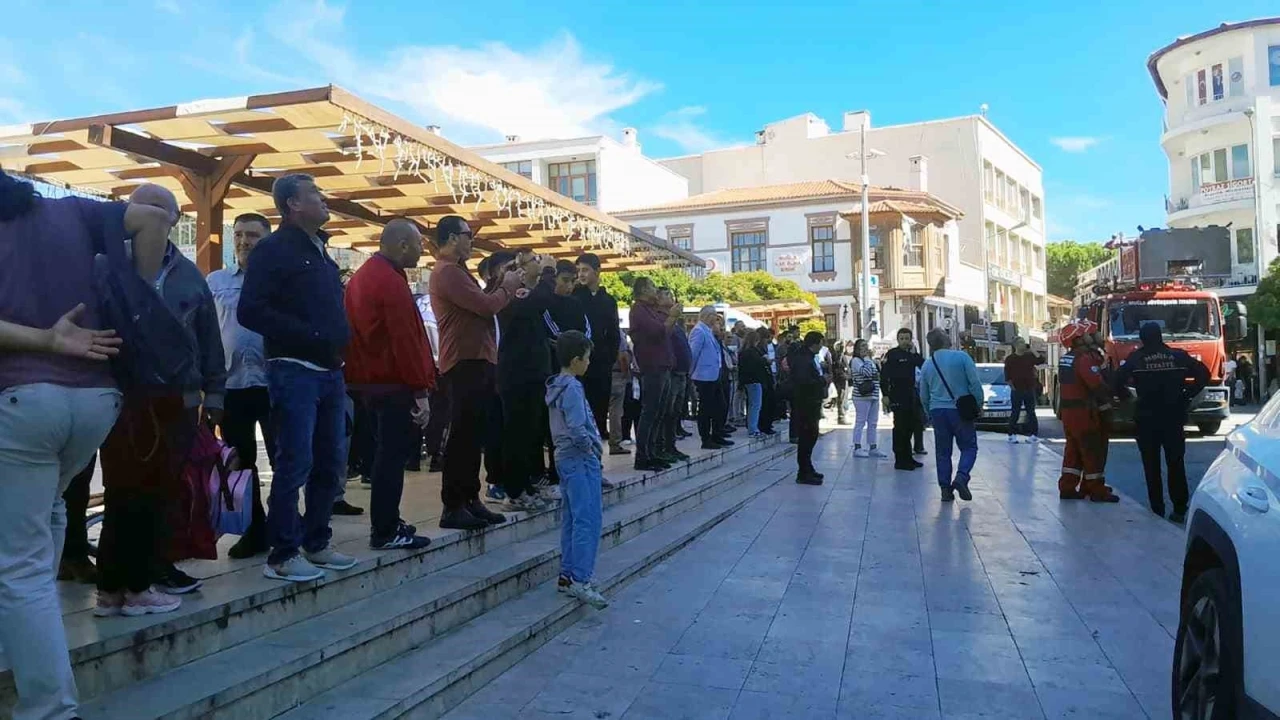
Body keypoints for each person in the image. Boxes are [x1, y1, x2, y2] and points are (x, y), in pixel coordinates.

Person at [0, 171, 171, 720]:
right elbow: (154, 218)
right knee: (49, 508)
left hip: (23, 399)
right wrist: (137, 298)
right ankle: (24, 636)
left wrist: (47, 340)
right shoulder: (69, 211)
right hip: (97, 398)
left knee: (19, 566)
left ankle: (49, 707)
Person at [97, 184, 225, 604]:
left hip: (178, 400)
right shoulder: (105, 266)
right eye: (142, 208)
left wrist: (215, 394)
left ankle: (151, 573)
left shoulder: (189, 275)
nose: (149, 217)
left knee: (165, 489)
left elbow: (208, 338)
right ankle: (121, 586)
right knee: (123, 490)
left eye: (160, 210)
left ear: (175, 219)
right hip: (121, 398)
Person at [239, 174, 360, 582]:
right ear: (293, 204)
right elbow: (250, 310)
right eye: (315, 194)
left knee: (330, 460)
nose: (325, 200)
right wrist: (310, 334)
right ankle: (283, 553)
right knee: (295, 462)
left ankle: (317, 541)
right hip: (293, 369)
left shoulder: (320, 250)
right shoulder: (273, 250)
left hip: (330, 371)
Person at [343, 219, 437, 550]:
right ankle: (384, 529)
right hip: (392, 383)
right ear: (402, 245)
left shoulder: (364, 276)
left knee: (384, 454)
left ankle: (388, 521)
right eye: (418, 244)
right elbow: (405, 340)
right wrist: (420, 390)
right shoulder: (389, 282)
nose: (422, 250)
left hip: (369, 382)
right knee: (391, 457)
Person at [430, 215, 522, 530]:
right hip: (464, 361)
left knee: (473, 435)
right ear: (452, 238)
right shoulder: (447, 272)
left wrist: (501, 283)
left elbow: (482, 302)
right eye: (468, 234)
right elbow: (485, 306)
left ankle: (470, 498)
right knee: (463, 435)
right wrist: (508, 287)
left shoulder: (458, 271)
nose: (472, 240)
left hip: (476, 360)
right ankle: (453, 504)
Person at [208, 212, 275, 559]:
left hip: (273, 384)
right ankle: (254, 530)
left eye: (253, 235)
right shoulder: (215, 282)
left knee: (285, 459)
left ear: (267, 240)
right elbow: (204, 333)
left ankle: (286, 524)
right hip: (232, 387)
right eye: (238, 235)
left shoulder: (279, 281)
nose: (244, 241)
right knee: (242, 463)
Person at [1113, 322, 1210, 523]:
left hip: (1146, 418)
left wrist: (1128, 399)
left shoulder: (1137, 358)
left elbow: (1116, 381)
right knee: (1176, 463)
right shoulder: (1178, 356)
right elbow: (1204, 374)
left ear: (1142, 339)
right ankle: (1180, 508)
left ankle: (1157, 509)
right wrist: (1187, 395)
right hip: (1174, 416)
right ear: (1160, 336)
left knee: (1151, 465)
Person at [546, 330, 610, 609]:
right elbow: (577, 427)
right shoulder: (571, 387)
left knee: (573, 518)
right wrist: (591, 448)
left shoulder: (557, 386)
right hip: (579, 458)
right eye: (586, 358)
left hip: (566, 458)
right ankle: (581, 578)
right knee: (588, 519)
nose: (588, 363)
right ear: (575, 360)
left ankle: (568, 574)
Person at [1054, 320, 1120, 505]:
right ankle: (1096, 490)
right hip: (1084, 413)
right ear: (1078, 339)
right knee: (1093, 450)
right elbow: (1096, 384)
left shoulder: (1067, 358)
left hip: (1070, 413)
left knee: (1073, 451)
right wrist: (1112, 397)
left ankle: (1067, 487)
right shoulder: (1084, 359)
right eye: (1085, 334)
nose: (1090, 336)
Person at [918, 328, 983, 502]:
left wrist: (928, 412)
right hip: (960, 410)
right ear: (946, 340)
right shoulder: (962, 357)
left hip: (937, 411)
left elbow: (923, 393)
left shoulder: (928, 364)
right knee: (969, 447)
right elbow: (974, 383)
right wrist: (978, 404)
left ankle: (945, 489)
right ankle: (961, 477)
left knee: (943, 452)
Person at [629, 278, 677, 471]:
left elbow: (665, 333)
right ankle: (643, 456)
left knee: (659, 411)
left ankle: (653, 452)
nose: (655, 291)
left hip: (662, 365)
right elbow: (658, 332)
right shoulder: (639, 310)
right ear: (643, 290)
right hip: (652, 366)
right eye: (652, 287)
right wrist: (672, 316)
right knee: (650, 411)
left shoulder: (651, 310)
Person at [573, 253, 621, 442]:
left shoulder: (608, 301)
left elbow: (614, 333)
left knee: (599, 409)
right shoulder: (574, 297)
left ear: (597, 271)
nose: (581, 274)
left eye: (585, 270)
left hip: (601, 364)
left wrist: (609, 357)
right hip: (578, 363)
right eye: (578, 270)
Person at [882, 328, 925, 471]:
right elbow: (884, 376)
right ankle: (900, 460)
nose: (905, 341)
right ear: (898, 340)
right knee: (900, 427)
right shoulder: (892, 354)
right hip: (897, 394)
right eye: (902, 338)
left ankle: (908, 457)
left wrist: (914, 352)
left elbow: (922, 365)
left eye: (907, 338)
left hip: (911, 394)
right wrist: (885, 395)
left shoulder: (911, 354)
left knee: (911, 426)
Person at [789, 331, 828, 485]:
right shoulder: (803, 359)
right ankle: (803, 472)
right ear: (815, 343)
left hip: (811, 402)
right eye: (820, 343)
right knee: (806, 436)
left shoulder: (809, 357)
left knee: (811, 435)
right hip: (805, 403)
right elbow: (804, 382)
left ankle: (808, 468)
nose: (821, 347)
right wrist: (822, 380)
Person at [688, 306, 727, 449]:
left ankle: (717, 434)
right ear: (707, 315)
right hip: (704, 376)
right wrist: (690, 372)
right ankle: (705, 438)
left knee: (719, 406)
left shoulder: (708, 331)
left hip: (713, 375)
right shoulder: (699, 331)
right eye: (714, 316)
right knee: (706, 408)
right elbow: (693, 353)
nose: (715, 319)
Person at [661, 290, 692, 462]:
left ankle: (671, 445)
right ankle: (664, 446)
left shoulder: (677, 324)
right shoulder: (664, 321)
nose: (672, 299)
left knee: (676, 411)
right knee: (668, 411)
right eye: (667, 295)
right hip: (672, 373)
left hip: (681, 373)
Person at [848, 339, 886, 458]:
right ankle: (857, 447)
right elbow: (867, 372)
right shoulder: (856, 361)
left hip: (874, 395)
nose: (865, 348)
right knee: (860, 421)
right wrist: (867, 360)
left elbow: (877, 374)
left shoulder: (869, 360)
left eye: (866, 345)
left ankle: (873, 447)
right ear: (857, 349)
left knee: (873, 422)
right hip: (861, 397)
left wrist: (869, 361)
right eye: (862, 346)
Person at [1003, 338, 1043, 444]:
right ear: (1015, 345)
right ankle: (1012, 435)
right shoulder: (1010, 359)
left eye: (1024, 342)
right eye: (1021, 342)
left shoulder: (1029, 356)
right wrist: (1012, 387)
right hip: (1017, 389)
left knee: (1031, 412)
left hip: (1029, 388)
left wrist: (1032, 349)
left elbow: (1041, 360)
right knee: (1015, 412)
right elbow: (1007, 375)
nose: (1024, 344)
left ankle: (1033, 435)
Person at [738, 329, 769, 437]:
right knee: (755, 405)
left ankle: (752, 427)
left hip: (747, 380)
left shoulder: (743, 352)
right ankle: (753, 429)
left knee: (752, 404)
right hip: (754, 380)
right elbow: (757, 365)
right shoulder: (752, 352)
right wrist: (765, 360)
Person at [608, 330, 633, 455]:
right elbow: (623, 357)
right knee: (616, 411)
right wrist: (626, 374)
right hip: (617, 374)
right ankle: (615, 443)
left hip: (602, 373)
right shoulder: (617, 334)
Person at [830, 341, 849, 424]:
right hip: (840, 380)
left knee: (842, 398)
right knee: (841, 398)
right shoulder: (837, 356)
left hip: (842, 379)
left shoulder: (841, 356)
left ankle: (842, 416)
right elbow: (838, 367)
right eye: (841, 346)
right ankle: (841, 417)